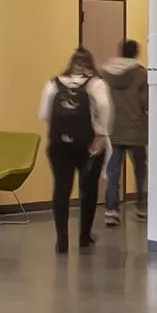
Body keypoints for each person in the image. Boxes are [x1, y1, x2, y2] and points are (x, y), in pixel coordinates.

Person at [38, 48, 115, 254]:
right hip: (88, 145)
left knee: (61, 189)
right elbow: (104, 106)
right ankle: (84, 236)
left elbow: (44, 114)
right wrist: (100, 133)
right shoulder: (96, 84)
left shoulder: (53, 84)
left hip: (58, 145)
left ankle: (61, 239)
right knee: (88, 190)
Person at [97, 38, 149, 227]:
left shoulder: (106, 74)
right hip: (136, 129)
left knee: (113, 171)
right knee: (140, 170)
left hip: (113, 128)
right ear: (136, 53)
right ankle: (141, 207)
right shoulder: (141, 74)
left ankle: (112, 210)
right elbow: (146, 102)